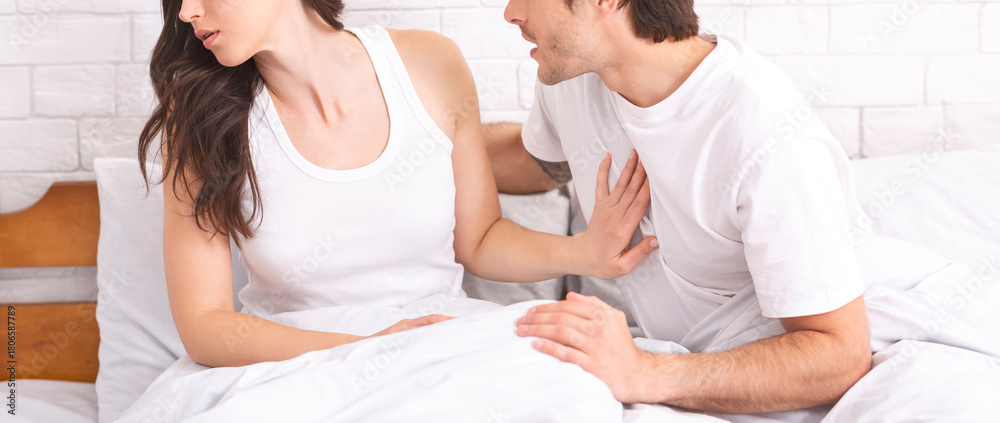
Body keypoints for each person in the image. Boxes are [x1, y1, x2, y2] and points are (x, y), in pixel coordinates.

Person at [490, 0, 1000, 420]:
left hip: (888, 338)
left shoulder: (760, 130)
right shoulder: (574, 78)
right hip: (725, 355)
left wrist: (642, 370)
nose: (512, 12)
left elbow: (838, 355)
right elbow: (541, 163)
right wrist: (425, 143)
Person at [136, 0, 659, 370]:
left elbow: (478, 241)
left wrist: (585, 253)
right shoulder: (199, 122)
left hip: (439, 338)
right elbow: (204, 325)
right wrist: (363, 345)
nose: (185, 11)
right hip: (292, 362)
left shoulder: (430, 64)